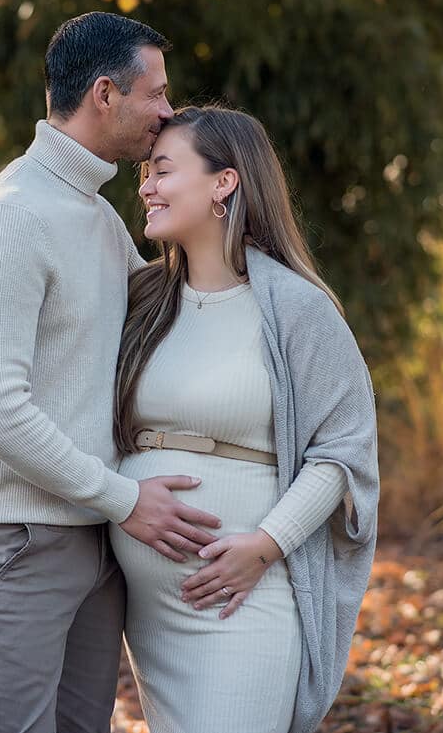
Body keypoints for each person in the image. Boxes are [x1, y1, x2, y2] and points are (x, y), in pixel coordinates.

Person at [0, 14, 223, 733]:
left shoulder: (90, 215)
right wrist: (123, 497)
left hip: (95, 537)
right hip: (16, 543)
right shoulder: (11, 217)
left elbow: (165, 316)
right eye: (155, 95)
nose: (165, 114)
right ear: (104, 93)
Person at [110, 106, 380, 733]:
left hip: (244, 600)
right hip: (151, 616)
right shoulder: (145, 301)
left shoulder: (295, 308)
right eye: (145, 172)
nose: (145, 185)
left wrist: (264, 546)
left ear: (222, 183)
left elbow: (342, 452)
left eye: (162, 170)